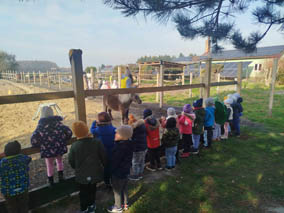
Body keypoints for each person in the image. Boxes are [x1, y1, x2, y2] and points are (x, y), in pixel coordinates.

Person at [69, 121, 107, 213]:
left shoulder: (74, 146)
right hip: (95, 172)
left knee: (83, 192)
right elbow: (104, 157)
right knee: (92, 189)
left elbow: (71, 161)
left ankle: (84, 208)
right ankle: (92, 206)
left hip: (81, 175)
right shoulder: (96, 142)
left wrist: (76, 167)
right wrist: (104, 166)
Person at [31, 106, 72, 186]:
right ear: (52, 113)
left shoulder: (40, 126)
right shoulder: (58, 123)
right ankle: (61, 177)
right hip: (59, 148)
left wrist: (37, 145)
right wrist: (65, 138)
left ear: (42, 114)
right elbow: (69, 132)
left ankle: (51, 181)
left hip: (47, 149)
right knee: (59, 161)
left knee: (49, 164)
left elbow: (34, 139)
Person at [108, 125, 133, 213]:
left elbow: (115, 161)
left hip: (118, 173)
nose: (115, 134)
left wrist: (110, 170)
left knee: (117, 191)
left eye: (117, 133)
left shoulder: (120, 147)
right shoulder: (129, 143)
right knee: (125, 188)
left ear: (123, 136)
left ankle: (118, 207)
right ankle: (126, 204)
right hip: (126, 171)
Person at [0, 141, 31, 213]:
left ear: (5, 153)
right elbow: (29, 159)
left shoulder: (2, 163)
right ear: (19, 151)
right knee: (24, 205)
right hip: (23, 188)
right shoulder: (23, 158)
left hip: (8, 191)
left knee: (12, 207)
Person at [90, 112, 116, 188]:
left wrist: (93, 123)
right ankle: (113, 179)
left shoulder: (98, 130)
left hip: (103, 151)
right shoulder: (113, 129)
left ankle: (107, 181)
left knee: (106, 167)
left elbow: (92, 130)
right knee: (111, 165)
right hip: (112, 150)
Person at [128, 114, 147, 181]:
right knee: (142, 161)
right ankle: (140, 174)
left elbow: (131, 139)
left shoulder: (134, 130)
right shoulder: (143, 126)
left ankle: (135, 175)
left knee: (135, 162)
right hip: (144, 147)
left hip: (137, 149)